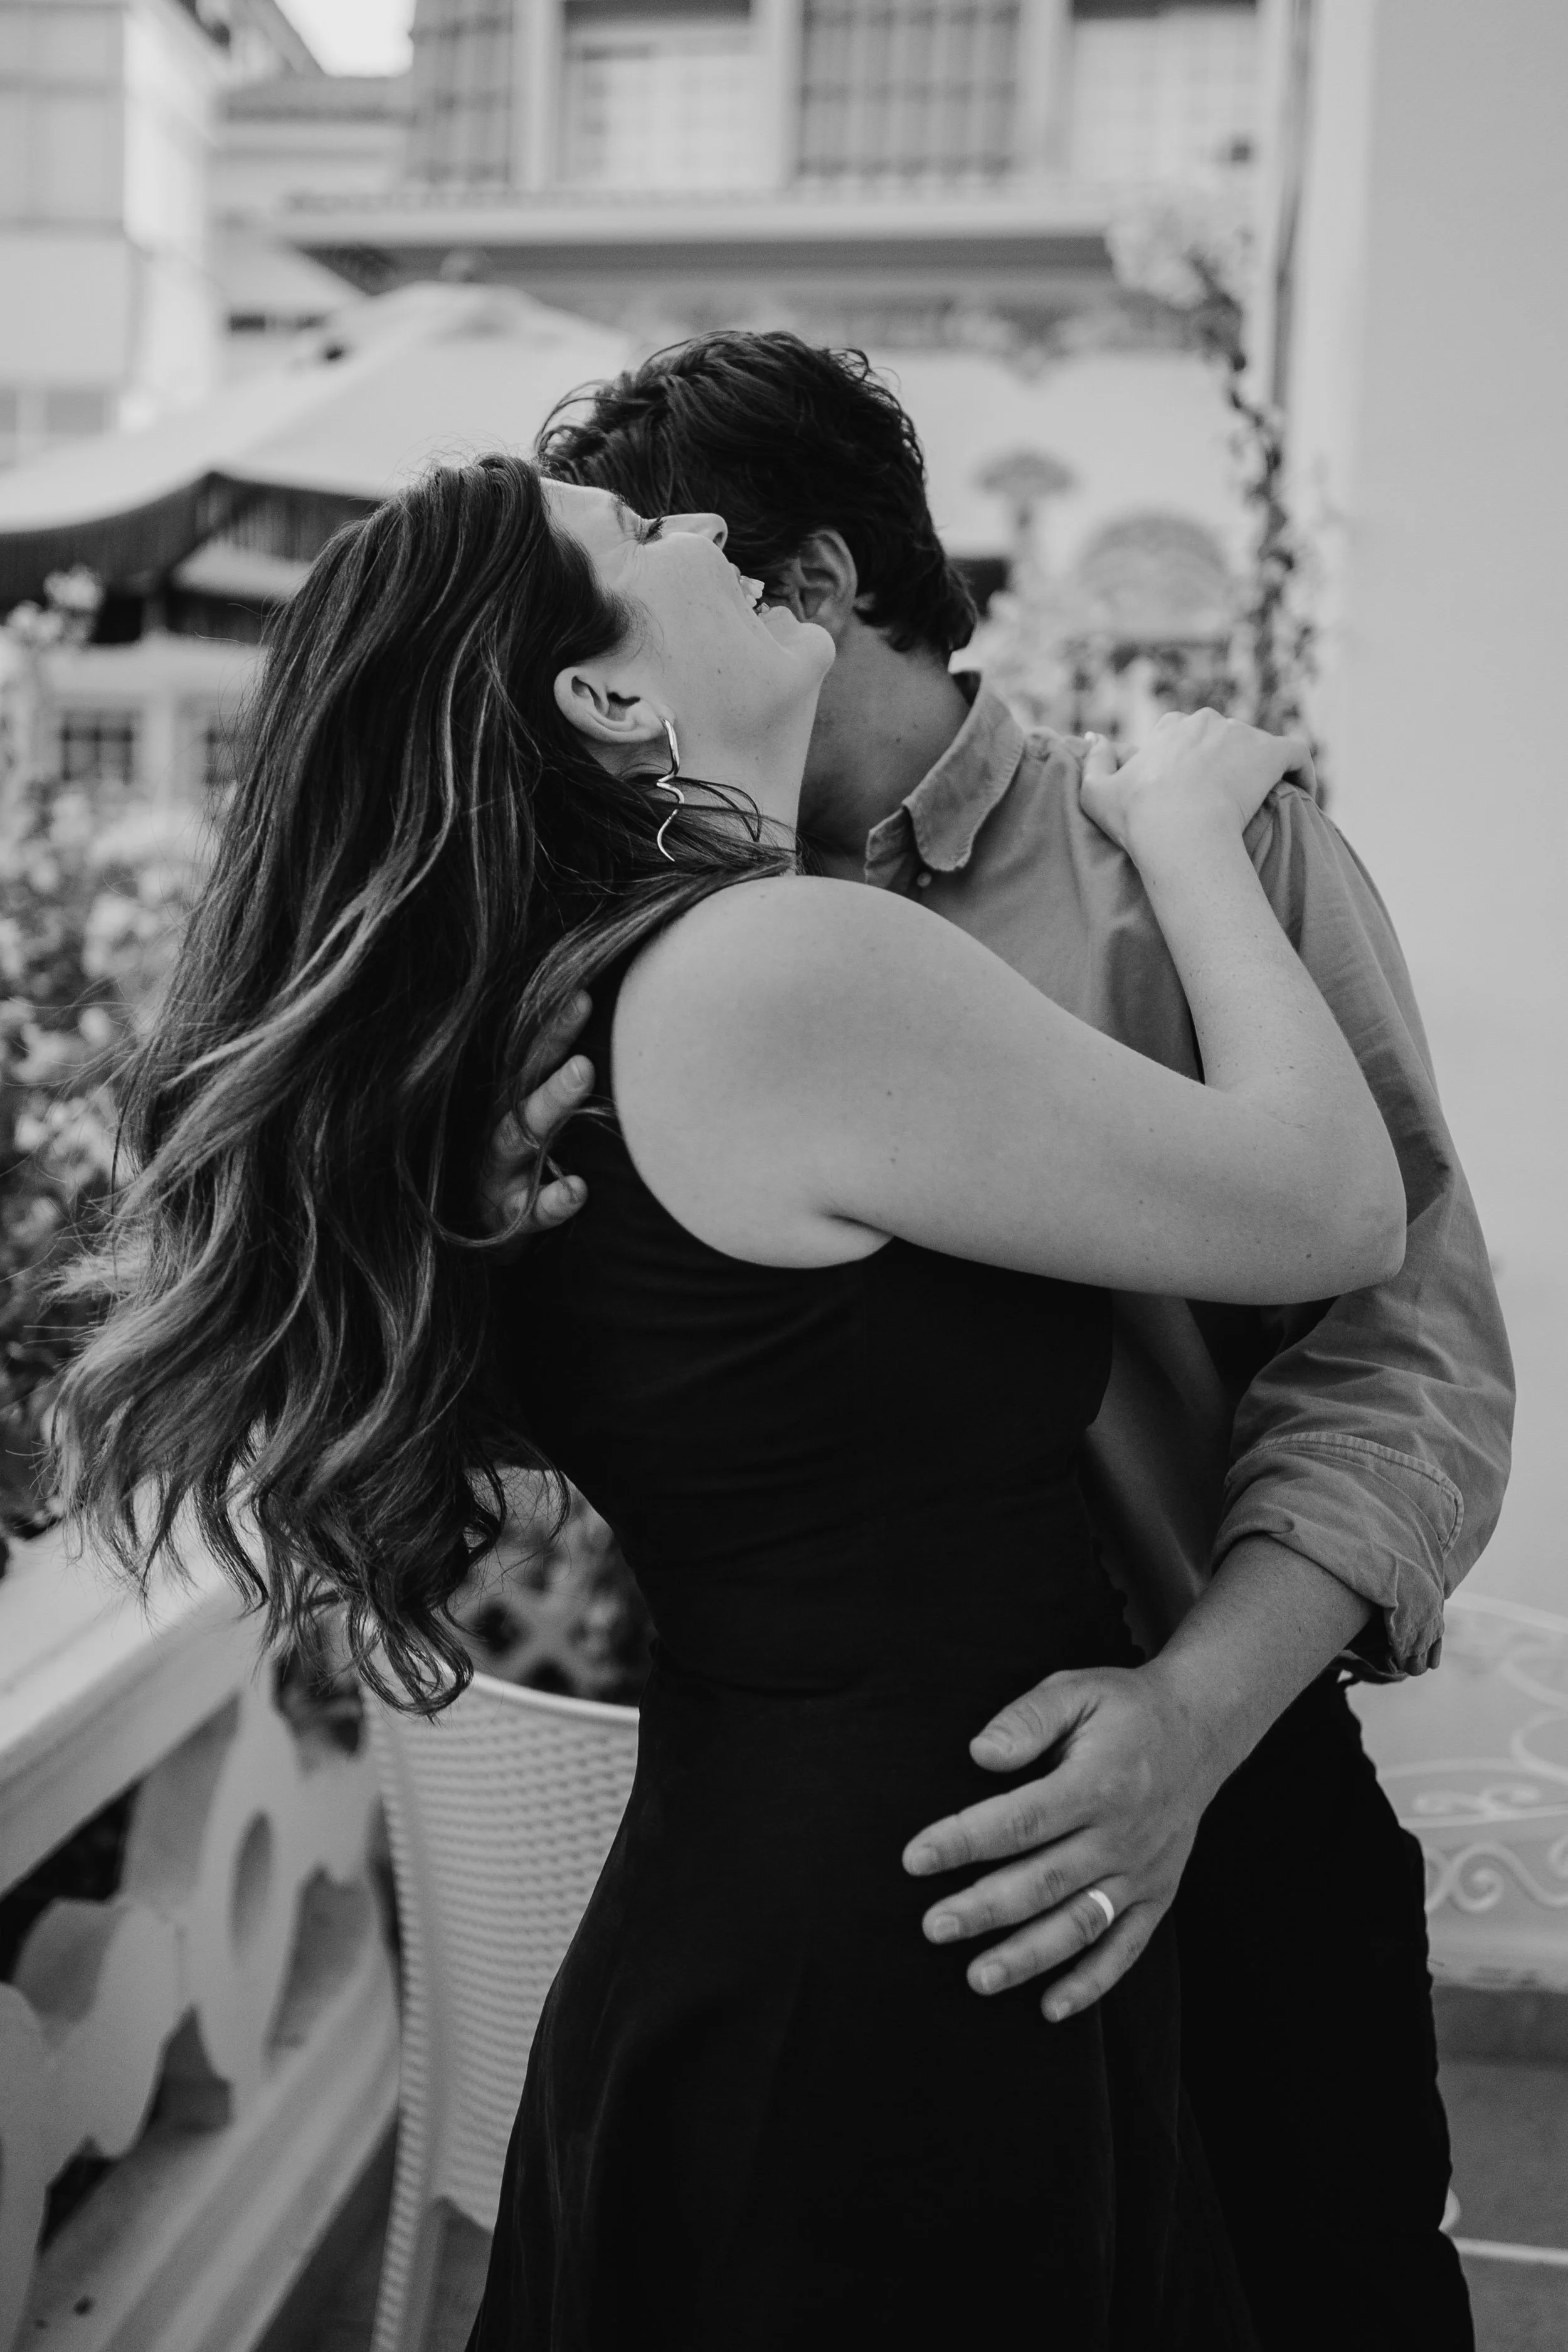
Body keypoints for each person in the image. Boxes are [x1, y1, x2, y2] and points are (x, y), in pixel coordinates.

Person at [54, 454, 1404, 2348]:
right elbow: (1334, 1207)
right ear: (605, 700)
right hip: (891, 1946)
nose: (698, 529)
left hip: (843, 1879)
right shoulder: (774, 969)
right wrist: (1183, 838)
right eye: (633, 538)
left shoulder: (565, 1018)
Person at [485, 332, 1515, 2351]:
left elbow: (1409, 1349)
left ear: (811, 588)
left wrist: (1192, 1727)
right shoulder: (598, 938)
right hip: (847, 1849)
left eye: (647, 541)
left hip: (1221, 1783)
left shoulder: (1206, 864)